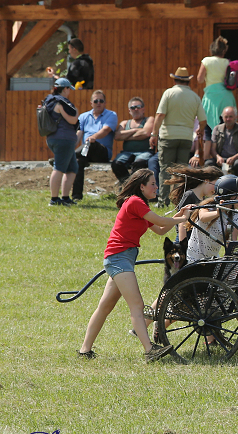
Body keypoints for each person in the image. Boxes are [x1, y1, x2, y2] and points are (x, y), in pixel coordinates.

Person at [77, 169, 190, 361]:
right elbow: (162, 220)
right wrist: (182, 219)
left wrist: (179, 215)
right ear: (142, 186)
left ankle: (84, 350)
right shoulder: (135, 202)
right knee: (137, 305)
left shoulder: (140, 205)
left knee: (105, 307)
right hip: (119, 258)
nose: (156, 187)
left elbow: (161, 229)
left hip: (122, 258)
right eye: (153, 184)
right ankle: (149, 350)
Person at [150, 67, 206, 206]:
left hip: (168, 136)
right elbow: (203, 120)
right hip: (186, 137)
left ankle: (163, 201)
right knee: (181, 171)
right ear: (188, 81)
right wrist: (200, 130)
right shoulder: (195, 96)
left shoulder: (169, 93)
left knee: (165, 169)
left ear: (175, 79)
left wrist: (154, 134)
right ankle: (178, 200)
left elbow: (160, 115)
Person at [73, 90, 118, 201]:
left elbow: (105, 130)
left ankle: (68, 156)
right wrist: (70, 145)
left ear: (105, 103)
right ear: (91, 103)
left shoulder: (111, 115)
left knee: (91, 143)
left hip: (102, 152)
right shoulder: (83, 117)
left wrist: (94, 137)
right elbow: (78, 134)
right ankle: (76, 197)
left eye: (101, 101)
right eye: (96, 101)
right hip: (85, 152)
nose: (98, 103)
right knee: (77, 162)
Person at [197, 36, 237, 161]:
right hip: (226, 96)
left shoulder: (206, 61)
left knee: (208, 127)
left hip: (211, 96)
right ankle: (224, 157)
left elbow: (199, 79)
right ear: (224, 50)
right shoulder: (227, 62)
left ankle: (207, 158)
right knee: (225, 126)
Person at [164, 164, 223, 243]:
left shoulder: (204, 199)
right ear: (206, 181)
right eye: (215, 185)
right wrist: (183, 244)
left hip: (195, 238)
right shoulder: (189, 195)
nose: (216, 190)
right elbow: (181, 221)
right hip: (185, 238)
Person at [43, 78, 79, 206]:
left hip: (53, 138)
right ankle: (54, 199)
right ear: (65, 89)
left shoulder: (48, 101)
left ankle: (65, 197)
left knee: (72, 167)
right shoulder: (60, 103)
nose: (69, 91)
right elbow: (73, 120)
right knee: (59, 168)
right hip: (63, 139)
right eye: (69, 88)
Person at [111, 96, 159, 188]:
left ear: (143, 109)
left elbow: (145, 133)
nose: (136, 109)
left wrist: (125, 135)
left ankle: (132, 187)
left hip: (145, 152)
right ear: (129, 110)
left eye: (138, 107)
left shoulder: (149, 119)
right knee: (116, 164)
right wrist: (135, 131)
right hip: (126, 153)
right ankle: (127, 185)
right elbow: (117, 136)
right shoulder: (125, 123)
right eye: (133, 108)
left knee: (138, 164)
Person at [206, 106, 238, 176]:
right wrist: (218, 157)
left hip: (236, 158)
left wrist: (233, 158)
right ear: (222, 117)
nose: (228, 119)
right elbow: (213, 149)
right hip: (221, 158)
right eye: (226, 117)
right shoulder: (217, 129)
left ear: (235, 117)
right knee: (208, 163)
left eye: (230, 117)